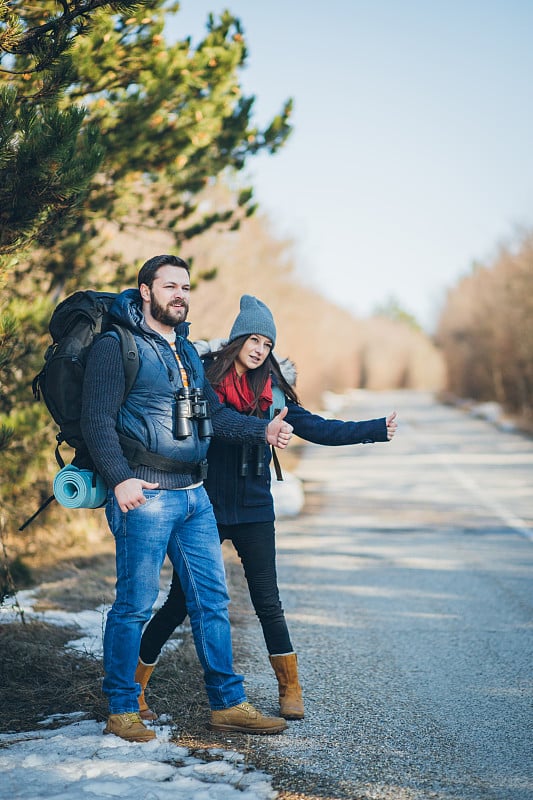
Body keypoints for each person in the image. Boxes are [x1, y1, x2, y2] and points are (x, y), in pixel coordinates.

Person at [137, 294, 398, 722]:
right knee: (180, 602)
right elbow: (219, 422)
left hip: (256, 508)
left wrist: (373, 430)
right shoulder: (204, 378)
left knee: (268, 601)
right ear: (239, 338)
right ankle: (134, 685)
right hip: (207, 506)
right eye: (254, 339)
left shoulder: (275, 392)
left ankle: (289, 688)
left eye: (268, 344)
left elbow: (319, 428)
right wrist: (264, 431)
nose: (260, 349)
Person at [80, 257, 294, 742]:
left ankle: (229, 703)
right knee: (134, 604)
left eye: (186, 286)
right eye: (169, 285)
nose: (180, 294)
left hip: (195, 496)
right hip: (146, 494)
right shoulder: (118, 346)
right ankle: (121, 708)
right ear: (144, 291)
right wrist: (119, 479)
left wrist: (263, 430)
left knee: (213, 602)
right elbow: (97, 420)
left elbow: (213, 417)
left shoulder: (188, 352)